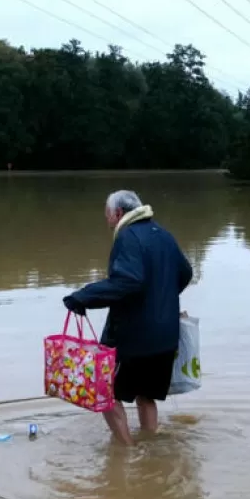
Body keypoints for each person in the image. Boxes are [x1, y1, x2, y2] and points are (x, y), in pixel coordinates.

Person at [64, 190, 193, 445]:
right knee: (147, 395)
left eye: (107, 216)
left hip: (135, 338)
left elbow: (127, 281)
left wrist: (83, 297)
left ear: (119, 214)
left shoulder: (128, 237)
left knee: (105, 393)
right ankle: (151, 450)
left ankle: (126, 451)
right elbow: (185, 272)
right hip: (166, 336)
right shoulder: (163, 235)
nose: (107, 221)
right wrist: (162, 300)